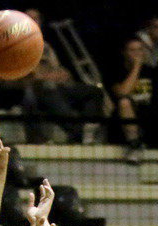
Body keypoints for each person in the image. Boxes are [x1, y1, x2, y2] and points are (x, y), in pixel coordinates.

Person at [23, 9, 104, 144]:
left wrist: (64, 73)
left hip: (56, 87)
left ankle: (89, 129)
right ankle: (78, 131)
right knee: (48, 87)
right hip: (33, 89)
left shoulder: (46, 45)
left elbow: (57, 68)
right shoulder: (15, 44)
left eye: (36, 19)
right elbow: (28, 73)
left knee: (93, 91)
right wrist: (48, 76)